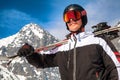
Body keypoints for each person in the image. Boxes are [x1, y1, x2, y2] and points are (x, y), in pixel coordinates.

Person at [17, 4, 120, 80]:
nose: (71, 20)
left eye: (74, 15)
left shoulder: (98, 41)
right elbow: (41, 62)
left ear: (83, 18)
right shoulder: (62, 48)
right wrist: (29, 54)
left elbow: (116, 67)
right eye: (67, 17)